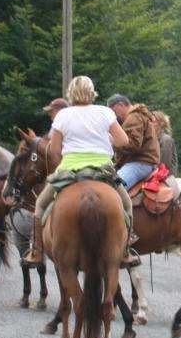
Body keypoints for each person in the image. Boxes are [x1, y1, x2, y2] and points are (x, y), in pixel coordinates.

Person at [22, 77, 138, 267]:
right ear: (92, 92)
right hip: (103, 170)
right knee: (126, 205)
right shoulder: (105, 112)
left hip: (70, 170)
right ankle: (125, 251)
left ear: (71, 93)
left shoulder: (63, 115)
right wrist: (107, 138)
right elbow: (123, 141)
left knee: (40, 205)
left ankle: (35, 252)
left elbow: (54, 151)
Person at [107, 94, 160, 190]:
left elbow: (134, 144)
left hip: (139, 163)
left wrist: (113, 142)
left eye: (114, 111)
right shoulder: (135, 116)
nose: (114, 115)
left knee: (113, 188)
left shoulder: (133, 117)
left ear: (121, 105)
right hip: (140, 162)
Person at [153, 111, 178, 175]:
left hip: (164, 175)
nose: (149, 124)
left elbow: (164, 163)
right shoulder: (150, 139)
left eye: (153, 121)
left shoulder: (166, 140)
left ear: (161, 124)